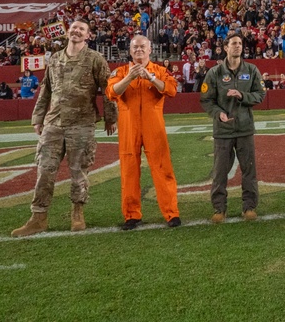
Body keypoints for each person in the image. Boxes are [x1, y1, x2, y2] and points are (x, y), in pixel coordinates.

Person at [12, 20, 114, 237]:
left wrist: (110, 118)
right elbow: (46, 90)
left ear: (88, 35)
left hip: (82, 123)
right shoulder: (55, 58)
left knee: (79, 172)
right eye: (74, 28)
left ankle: (77, 212)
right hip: (54, 123)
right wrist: (38, 118)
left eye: (82, 29)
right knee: (44, 171)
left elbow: (108, 90)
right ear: (69, 32)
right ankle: (38, 216)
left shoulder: (95, 59)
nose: (76, 31)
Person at [106, 35, 181, 230]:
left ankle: (171, 213)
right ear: (130, 52)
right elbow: (111, 92)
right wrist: (130, 77)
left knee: (163, 168)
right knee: (129, 170)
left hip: (153, 126)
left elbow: (172, 90)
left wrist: (151, 78)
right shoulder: (121, 72)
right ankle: (131, 215)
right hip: (128, 126)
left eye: (142, 47)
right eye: (135, 48)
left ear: (150, 50)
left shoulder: (160, 71)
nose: (139, 50)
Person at [200, 33, 265, 223]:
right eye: (233, 44)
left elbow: (260, 94)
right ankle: (219, 208)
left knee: (249, 171)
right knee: (220, 172)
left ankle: (249, 207)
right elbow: (206, 100)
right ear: (225, 48)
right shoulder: (215, 73)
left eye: (240, 43)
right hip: (223, 131)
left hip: (245, 129)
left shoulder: (252, 70)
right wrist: (218, 113)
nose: (237, 46)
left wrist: (242, 95)